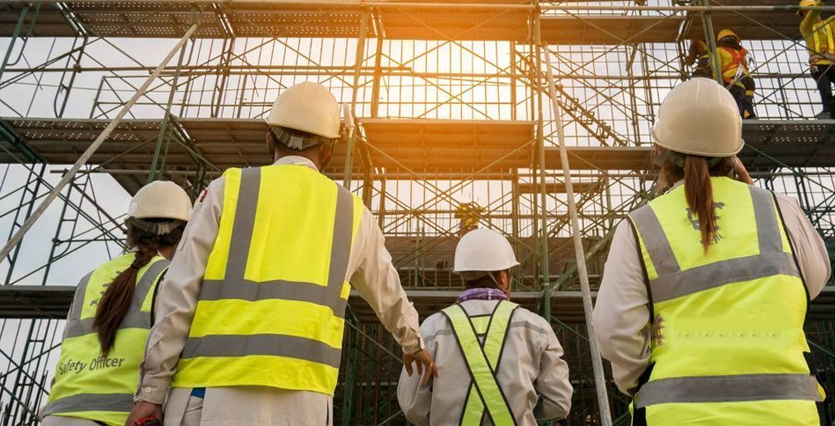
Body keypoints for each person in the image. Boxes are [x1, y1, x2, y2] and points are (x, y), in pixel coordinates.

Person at [127, 82, 436, 426]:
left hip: (211, 391)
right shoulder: (353, 213)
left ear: (269, 137)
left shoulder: (227, 190)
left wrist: (152, 392)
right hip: (304, 399)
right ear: (330, 149)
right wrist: (414, 343)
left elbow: (178, 293)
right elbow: (389, 294)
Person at [593, 79, 831, 425]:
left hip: (675, 416)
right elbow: (814, 279)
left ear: (661, 151)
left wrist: (642, 380)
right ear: (733, 153)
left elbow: (614, 329)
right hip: (791, 415)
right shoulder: (780, 210)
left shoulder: (641, 226)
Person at [42, 181, 191, 426]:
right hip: (120, 417)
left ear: (130, 229)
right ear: (183, 234)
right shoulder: (171, 277)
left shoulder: (89, 279)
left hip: (57, 413)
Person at [397, 228, 572, 425]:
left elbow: (411, 405)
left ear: (464, 275)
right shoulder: (536, 327)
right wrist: (524, 410)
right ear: (503, 277)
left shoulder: (431, 328)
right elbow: (559, 402)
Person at [799, 0, 835, 119]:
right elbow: (812, 15)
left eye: (808, 11)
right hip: (818, 64)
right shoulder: (805, 27)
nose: (807, 14)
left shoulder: (832, 23)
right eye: (805, 13)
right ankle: (831, 116)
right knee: (826, 92)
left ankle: (827, 111)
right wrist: (820, 2)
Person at [715, 29, 756, 119]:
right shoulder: (743, 51)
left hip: (733, 76)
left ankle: (742, 116)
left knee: (739, 97)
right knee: (748, 98)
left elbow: (716, 68)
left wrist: (717, 82)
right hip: (747, 78)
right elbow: (748, 64)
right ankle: (750, 115)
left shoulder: (718, 50)